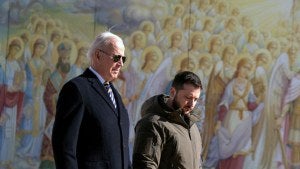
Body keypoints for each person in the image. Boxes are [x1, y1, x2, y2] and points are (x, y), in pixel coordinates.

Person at [51, 31, 131, 169]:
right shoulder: (76, 89)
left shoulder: (115, 94)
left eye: (123, 59)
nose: (121, 64)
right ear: (98, 55)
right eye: (117, 57)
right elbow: (64, 147)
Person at [132, 71, 203, 169]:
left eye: (195, 99)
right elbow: (145, 165)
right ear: (173, 93)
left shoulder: (193, 128)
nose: (192, 105)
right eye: (188, 97)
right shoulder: (153, 124)